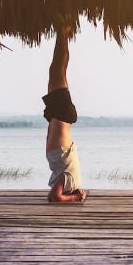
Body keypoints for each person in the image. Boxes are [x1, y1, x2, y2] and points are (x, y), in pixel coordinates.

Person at [43, 29, 87, 203]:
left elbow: (56, 194)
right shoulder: (69, 180)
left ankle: (63, 35)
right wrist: (74, 198)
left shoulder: (70, 179)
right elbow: (54, 197)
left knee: (57, 69)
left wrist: (75, 194)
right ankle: (63, 32)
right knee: (57, 69)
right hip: (61, 114)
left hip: (59, 115)